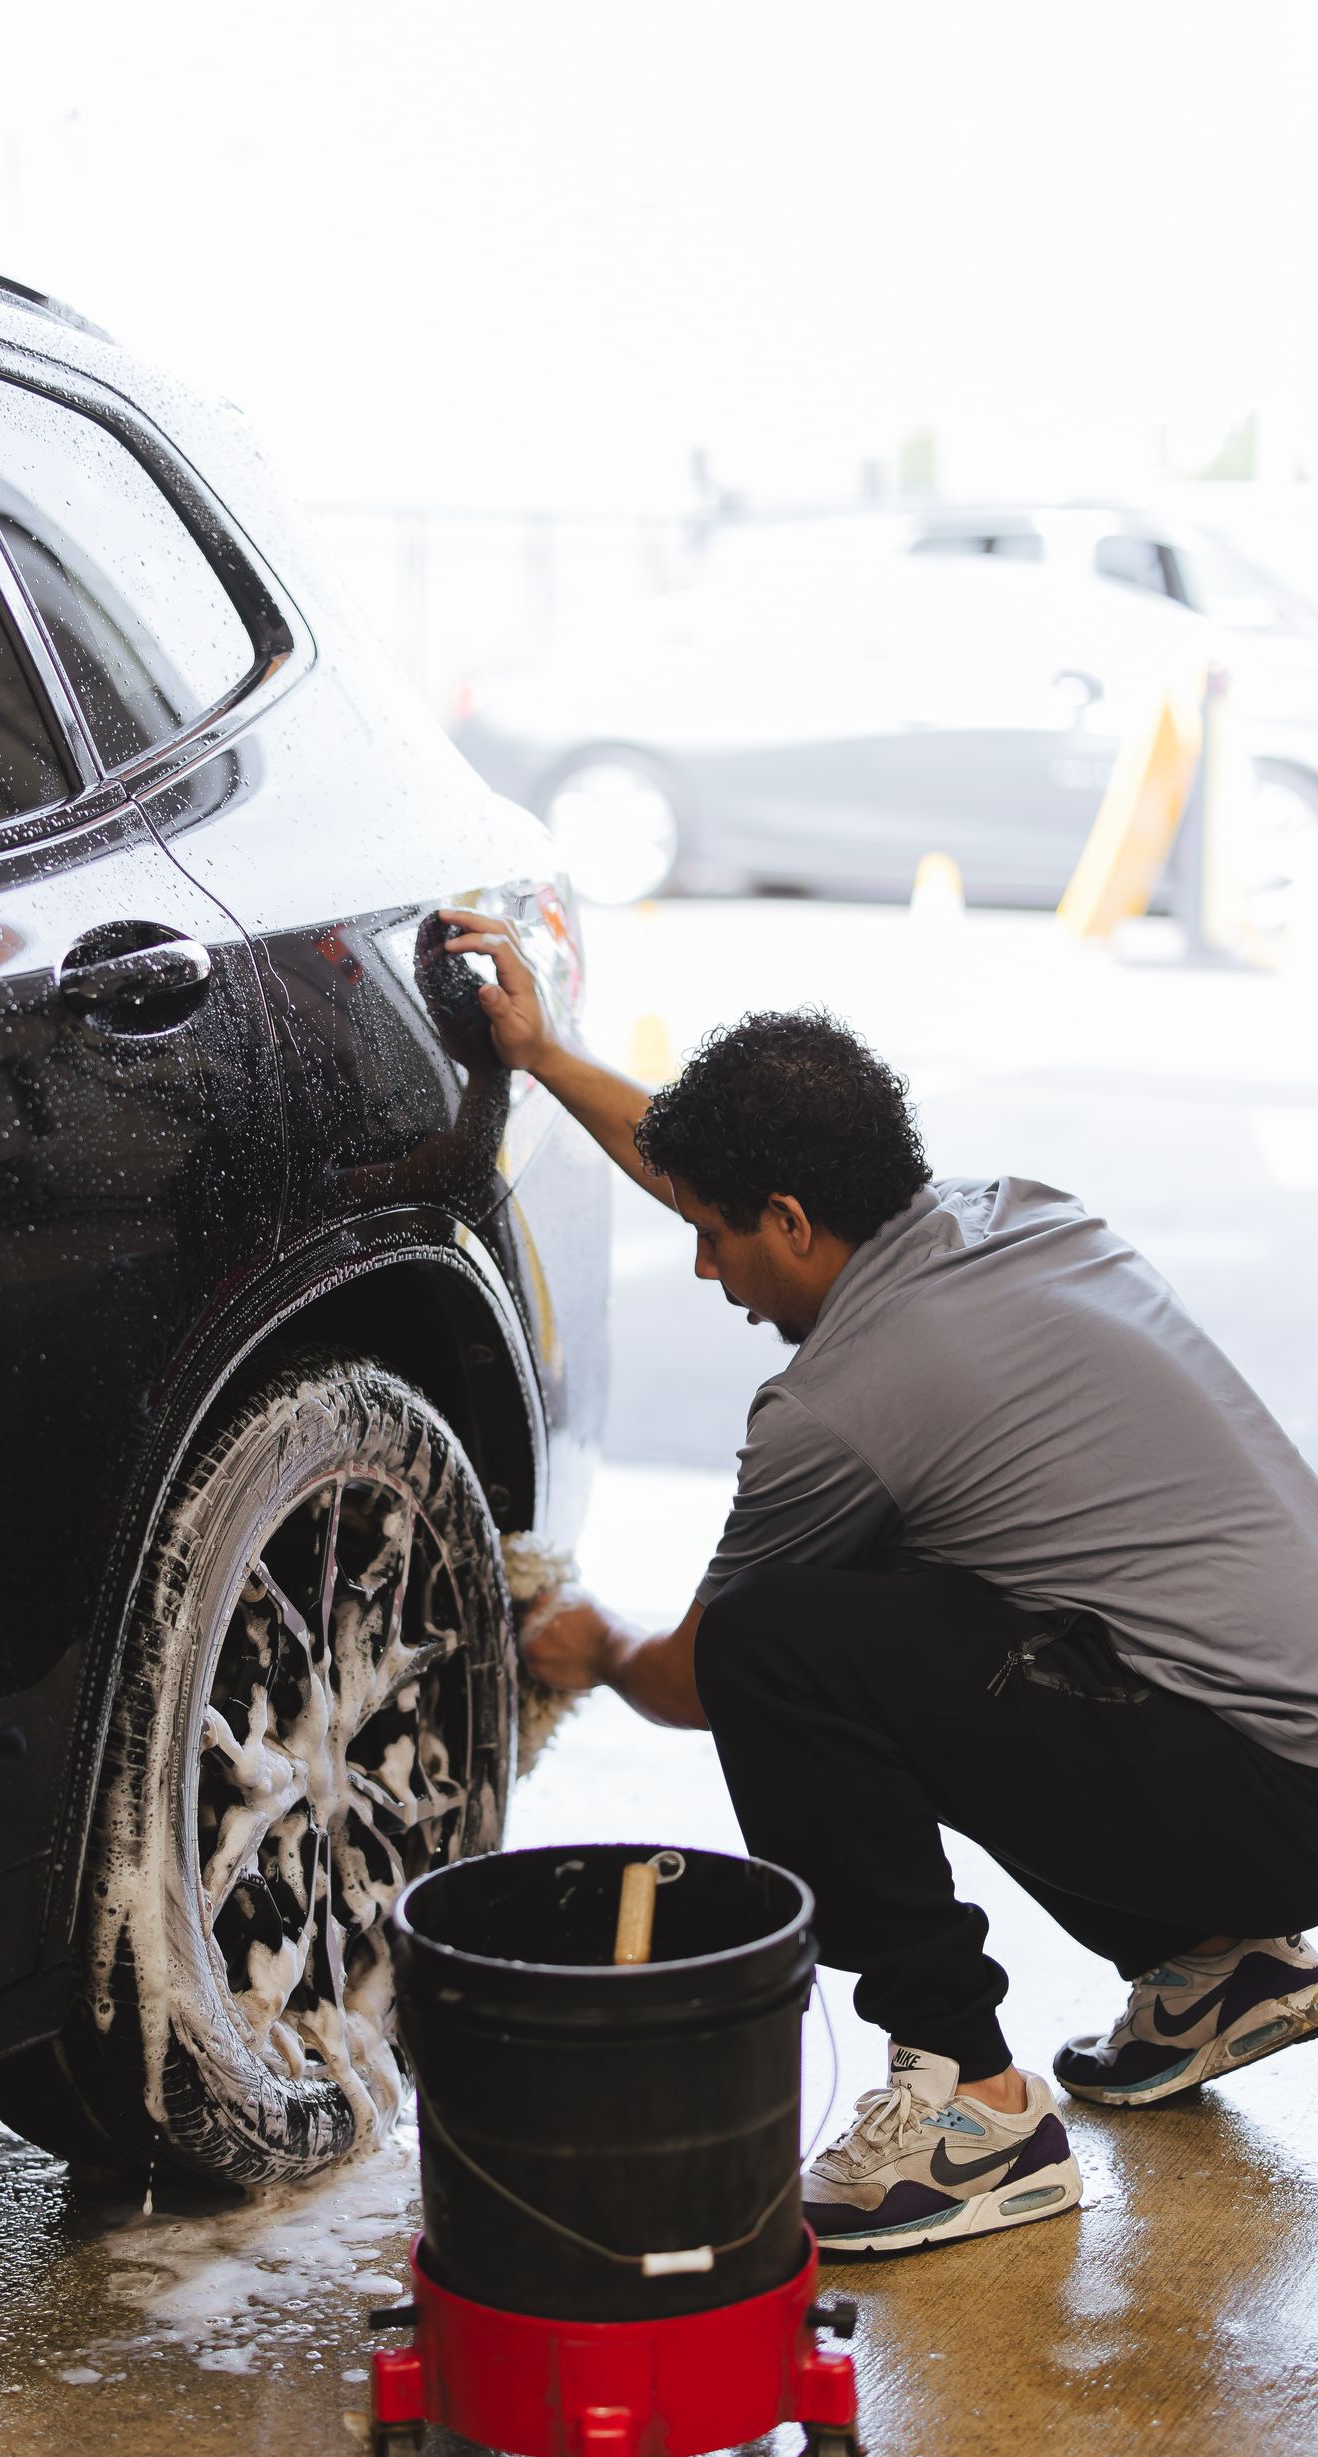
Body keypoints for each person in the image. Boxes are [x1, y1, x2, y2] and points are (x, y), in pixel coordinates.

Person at [439, 907, 1318, 2257]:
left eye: (719, 1236)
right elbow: (709, 1165)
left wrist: (599, 1642)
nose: (701, 1264)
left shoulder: (842, 1407)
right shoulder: (1010, 1217)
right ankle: (1221, 1962)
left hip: (1264, 1798)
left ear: (790, 1218)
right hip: (1272, 1755)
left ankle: (970, 2100)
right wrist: (548, 1056)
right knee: (924, 1585)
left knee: (776, 1648)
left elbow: (695, 1684)